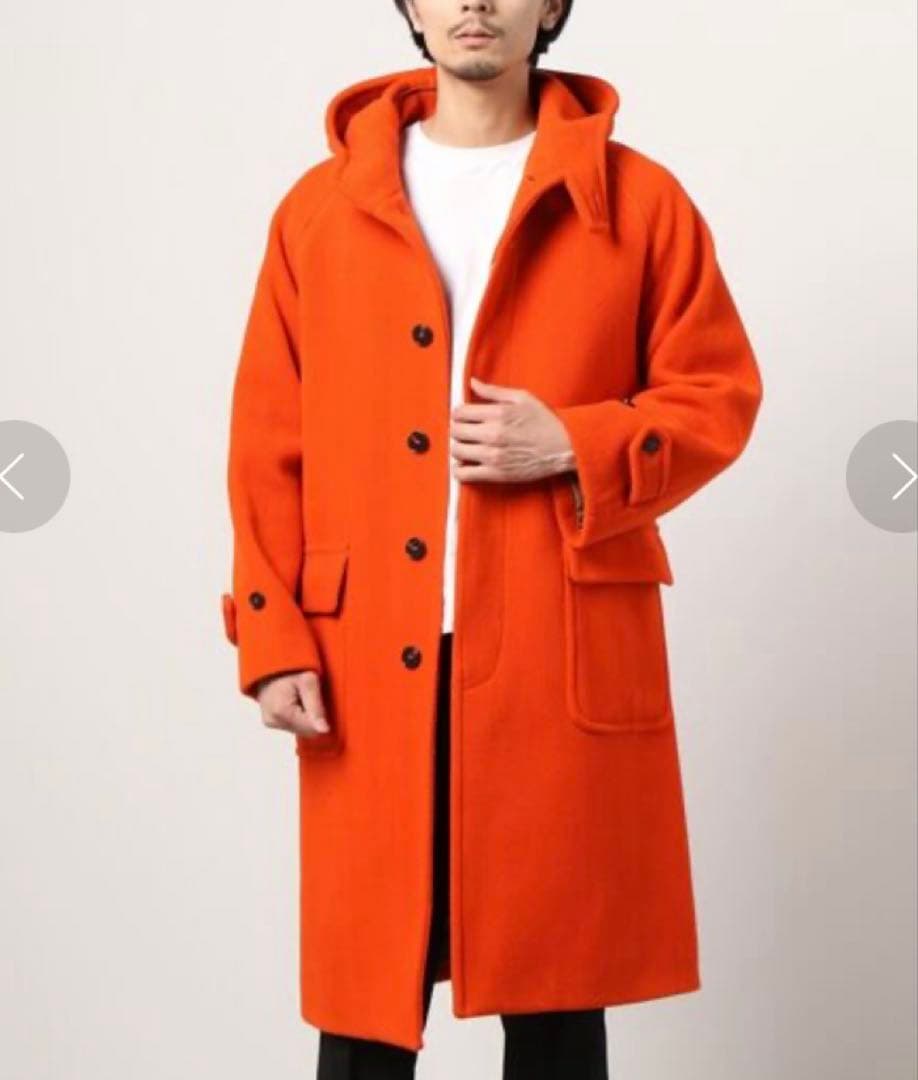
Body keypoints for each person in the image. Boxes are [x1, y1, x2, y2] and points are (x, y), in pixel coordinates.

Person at [221, 1, 764, 1076]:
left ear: (552, 5)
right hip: (368, 655)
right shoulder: (319, 210)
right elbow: (267, 442)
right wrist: (272, 637)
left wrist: (577, 440)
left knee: (557, 997)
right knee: (365, 1010)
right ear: (411, 7)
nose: (474, 2)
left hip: (556, 649)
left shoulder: (639, 201)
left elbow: (718, 395)